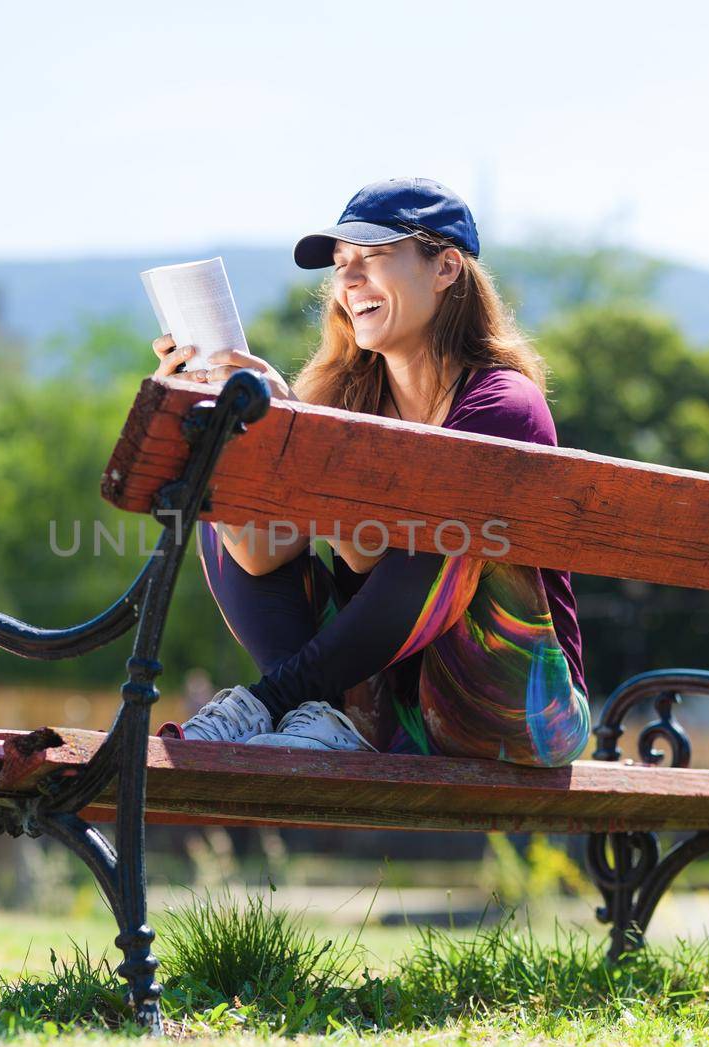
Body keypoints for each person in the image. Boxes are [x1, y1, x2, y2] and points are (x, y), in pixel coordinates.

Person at [150, 177, 590, 767]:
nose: (349, 281)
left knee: (445, 529)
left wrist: (303, 439)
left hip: (515, 711)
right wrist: (251, 433)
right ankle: (322, 713)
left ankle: (275, 701)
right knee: (224, 513)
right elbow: (257, 557)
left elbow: (373, 554)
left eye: (374, 256)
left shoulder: (502, 404)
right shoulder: (342, 397)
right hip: (387, 715)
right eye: (340, 264)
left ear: (446, 268)